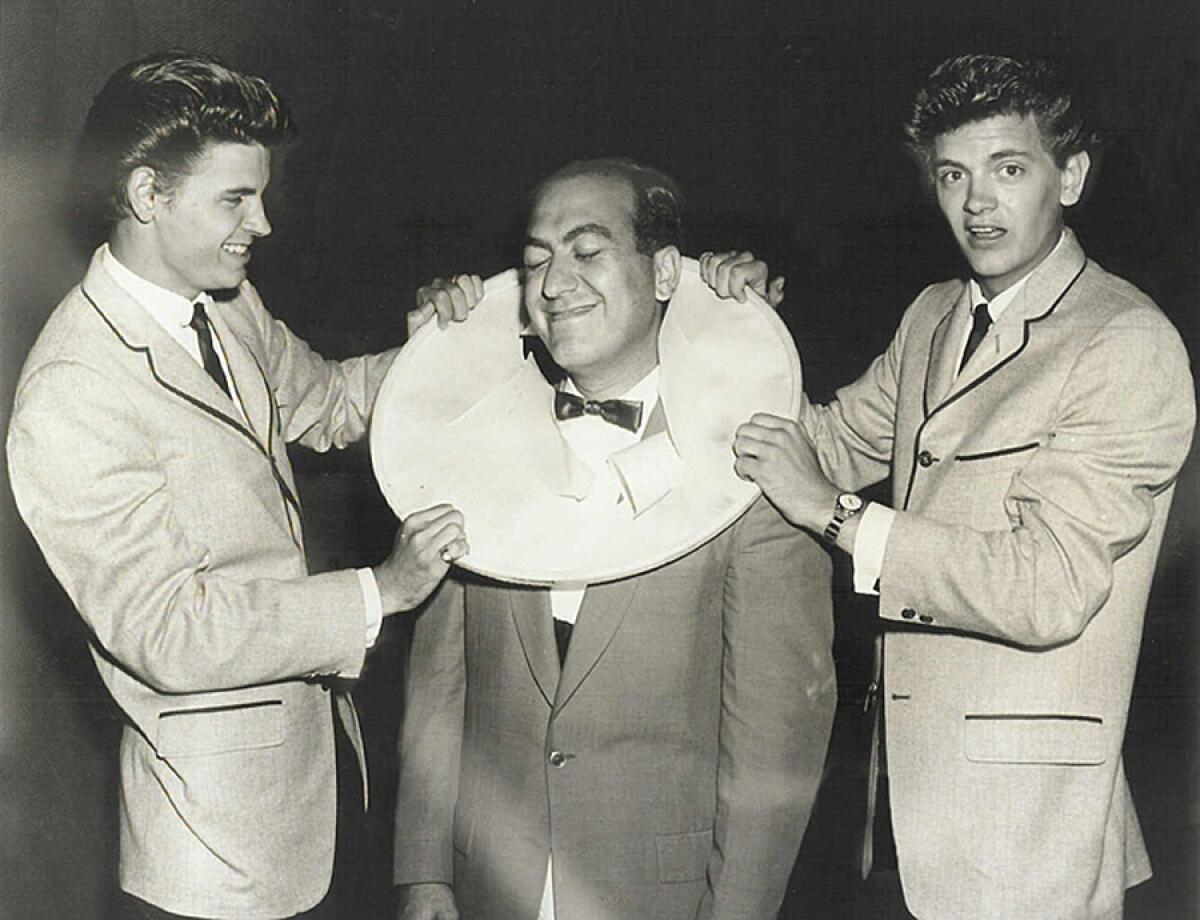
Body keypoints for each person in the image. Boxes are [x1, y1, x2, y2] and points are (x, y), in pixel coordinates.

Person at [721, 54, 1196, 919]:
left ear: (1073, 176)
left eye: (1008, 169)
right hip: (898, 813)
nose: (977, 203)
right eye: (953, 175)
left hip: (1029, 840)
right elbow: (819, 442)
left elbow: (1047, 589)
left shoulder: (1126, 342)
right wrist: (731, 329)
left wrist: (837, 516)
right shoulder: (934, 313)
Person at [6, 50, 471, 920]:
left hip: (317, 784)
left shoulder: (222, 301)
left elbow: (329, 402)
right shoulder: (72, 391)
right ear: (148, 195)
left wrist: (446, 344)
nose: (262, 223)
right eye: (235, 199)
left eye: (259, 196)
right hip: (214, 857)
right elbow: (168, 631)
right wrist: (382, 590)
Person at [392, 159, 836, 920]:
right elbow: (440, 686)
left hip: (665, 893)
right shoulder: (468, 451)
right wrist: (423, 871)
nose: (557, 284)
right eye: (537, 262)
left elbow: (774, 741)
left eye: (588, 252)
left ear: (664, 272)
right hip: (487, 886)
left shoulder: (753, 465)